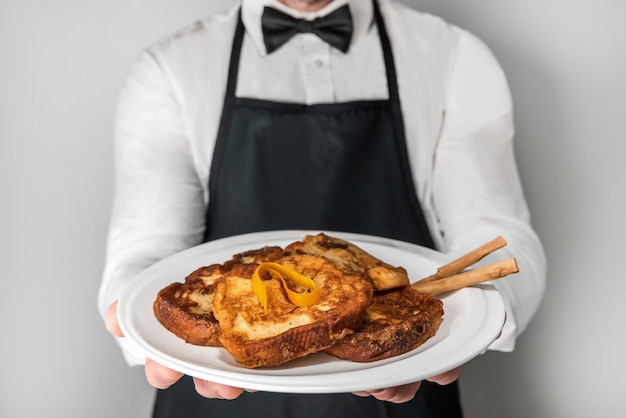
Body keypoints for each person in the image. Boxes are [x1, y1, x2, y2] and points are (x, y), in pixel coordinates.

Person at [99, 0, 546, 417]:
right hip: (215, 381)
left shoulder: (452, 55)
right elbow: (147, 245)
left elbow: (494, 229)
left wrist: (473, 324)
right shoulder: (170, 66)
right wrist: (139, 322)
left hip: (401, 382)